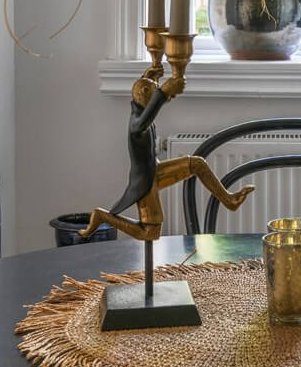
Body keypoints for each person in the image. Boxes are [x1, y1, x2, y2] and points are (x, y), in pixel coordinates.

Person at [82, 72, 252, 242]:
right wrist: (162, 92)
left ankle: (229, 200)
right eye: (154, 91)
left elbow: (144, 92)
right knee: (150, 233)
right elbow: (145, 118)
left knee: (197, 164)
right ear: (147, 92)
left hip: (155, 169)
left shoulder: (140, 106)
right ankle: (102, 216)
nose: (166, 98)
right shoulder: (136, 123)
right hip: (145, 182)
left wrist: (151, 77)